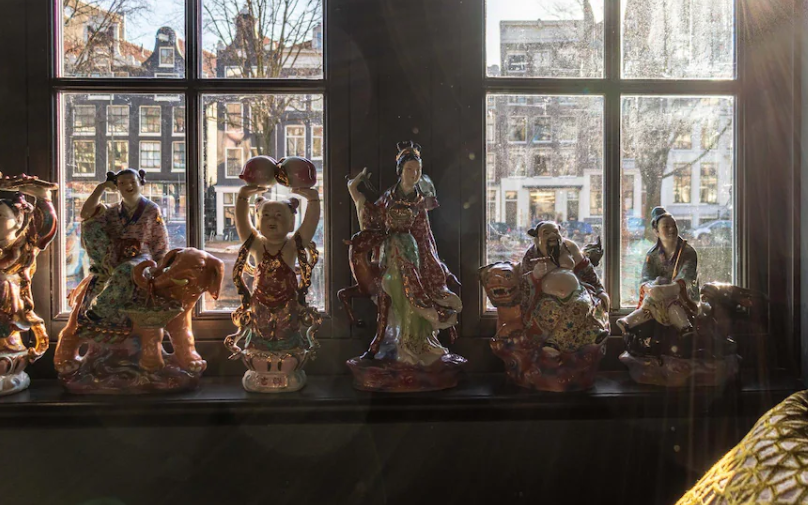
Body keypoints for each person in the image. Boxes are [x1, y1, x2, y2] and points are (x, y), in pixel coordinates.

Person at [346, 141, 462, 365]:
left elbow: (425, 234)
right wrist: (354, 192)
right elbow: (372, 216)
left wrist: (436, 264)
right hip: (390, 250)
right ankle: (394, 338)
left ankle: (414, 341)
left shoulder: (420, 201)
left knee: (412, 295)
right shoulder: (389, 197)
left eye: (417, 170)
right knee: (390, 290)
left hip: (410, 251)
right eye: (409, 169)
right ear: (400, 171)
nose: (414, 174)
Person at [74, 169, 168, 338]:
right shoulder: (112, 211)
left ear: (140, 183)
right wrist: (101, 187)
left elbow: (160, 238)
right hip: (115, 255)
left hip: (141, 257)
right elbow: (85, 214)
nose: (128, 186)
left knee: (126, 270)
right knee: (89, 224)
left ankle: (100, 309)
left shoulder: (151, 209)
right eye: (122, 183)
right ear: (116, 186)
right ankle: (102, 269)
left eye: (132, 181)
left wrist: (160, 265)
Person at [229, 182, 320, 353]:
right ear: (258, 222)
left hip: (287, 302)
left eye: (279, 216)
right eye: (266, 215)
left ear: (291, 223)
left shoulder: (292, 245)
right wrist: (243, 197)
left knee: (286, 336)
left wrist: (313, 200)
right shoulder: (257, 245)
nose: (272, 220)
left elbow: (309, 225)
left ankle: (287, 358)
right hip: (260, 302)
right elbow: (242, 224)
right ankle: (260, 358)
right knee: (260, 337)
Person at [519, 221, 609, 352]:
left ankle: (553, 343)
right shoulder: (531, 255)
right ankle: (590, 334)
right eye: (546, 233)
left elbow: (587, 271)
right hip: (547, 298)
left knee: (583, 305)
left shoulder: (570, 247)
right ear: (537, 238)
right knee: (552, 312)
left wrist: (600, 289)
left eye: (555, 232)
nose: (552, 235)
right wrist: (534, 275)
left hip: (577, 293)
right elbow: (522, 283)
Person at [616, 207, 698, 338]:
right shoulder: (652, 255)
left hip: (682, 298)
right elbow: (645, 278)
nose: (671, 229)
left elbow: (686, 277)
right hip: (657, 297)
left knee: (668, 302)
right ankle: (630, 322)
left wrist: (668, 289)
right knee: (653, 301)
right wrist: (650, 288)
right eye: (666, 226)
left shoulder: (687, 252)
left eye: (673, 226)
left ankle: (685, 326)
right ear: (656, 231)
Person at [0, 179, 57, 360]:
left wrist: (43, 197)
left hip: (8, 311)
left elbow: (44, 229)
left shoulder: (21, 247)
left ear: (17, 221)